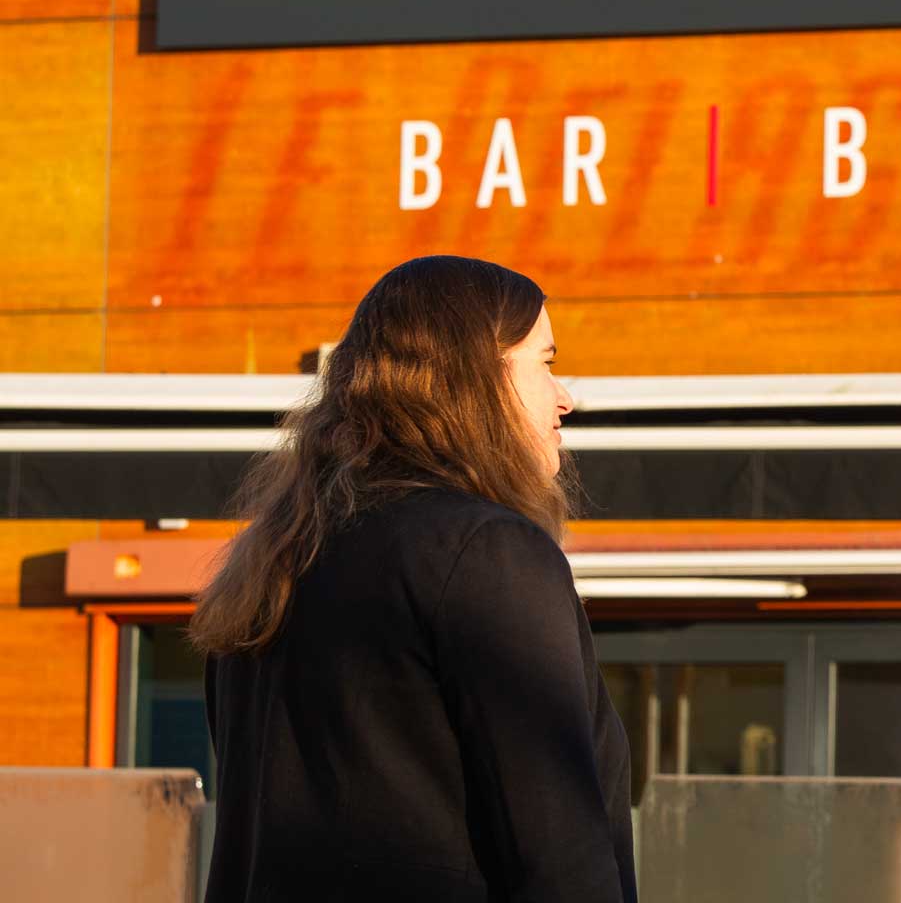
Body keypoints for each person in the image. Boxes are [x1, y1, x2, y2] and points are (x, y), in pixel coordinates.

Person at [191, 255, 636, 903]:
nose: (567, 397)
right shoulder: (488, 554)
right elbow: (559, 851)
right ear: (475, 377)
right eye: (545, 361)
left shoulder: (274, 566)